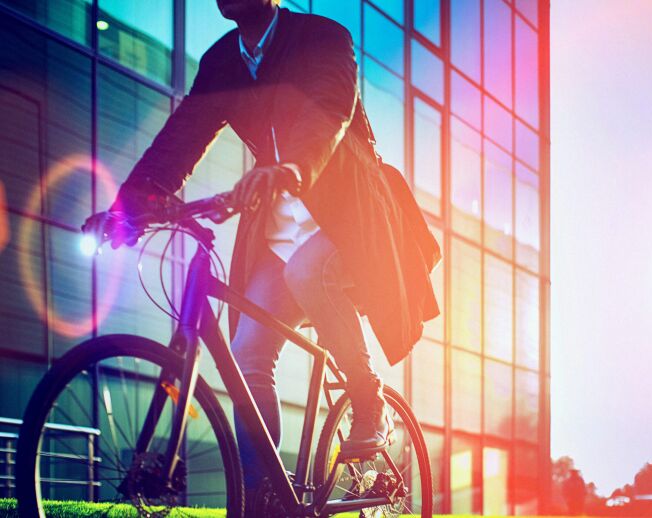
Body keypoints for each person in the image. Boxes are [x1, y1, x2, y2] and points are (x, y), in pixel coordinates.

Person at [83, 0, 440, 509]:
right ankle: (266, 497)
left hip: (347, 214)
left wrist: (291, 168)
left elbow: (329, 108)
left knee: (308, 271)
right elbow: (180, 138)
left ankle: (369, 402)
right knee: (249, 353)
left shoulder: (323, 37)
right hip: (279, 227)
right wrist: (127, 210)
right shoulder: (224, 60)